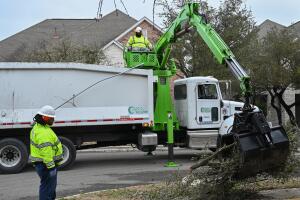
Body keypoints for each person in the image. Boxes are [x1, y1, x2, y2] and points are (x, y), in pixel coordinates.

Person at [30, 105, 63, 200]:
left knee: (48, 187)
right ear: (44, 117)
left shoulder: (39, 127)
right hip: (46, 166)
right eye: (50, 118)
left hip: (42, 165)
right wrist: (51, 167)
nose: (53, 120)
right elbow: (46, 152)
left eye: (53, 118)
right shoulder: (43, 132)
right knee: (48, 189)